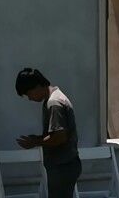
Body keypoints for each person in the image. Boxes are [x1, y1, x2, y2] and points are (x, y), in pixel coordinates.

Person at [14, 67, 81, 198]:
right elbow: (56, 133)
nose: (30, 99)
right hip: (65, 165)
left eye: (29, 94)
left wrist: (35, 142)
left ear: (37, 86)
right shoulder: (54, 98)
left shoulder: (54, 103)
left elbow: (60, 137)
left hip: (63, 166)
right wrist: (38, 138)